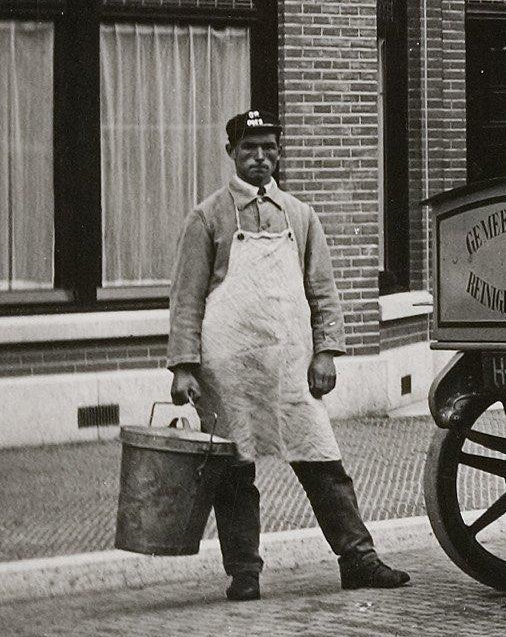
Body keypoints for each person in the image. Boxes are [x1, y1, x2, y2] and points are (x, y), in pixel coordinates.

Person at [168, 111, 411, 600]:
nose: (261, 158)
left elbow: (323, 291)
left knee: (322, 460)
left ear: (279, 152)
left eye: (270, 148)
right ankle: (245, 574)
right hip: (227, 370)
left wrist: (326, 353)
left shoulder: (299, 215)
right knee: (235, 472)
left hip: (290, 365)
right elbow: (187, 298)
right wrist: (184, 367)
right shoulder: (208, 217)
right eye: (249, 149)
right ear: (231, 153)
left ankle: (358, 558)